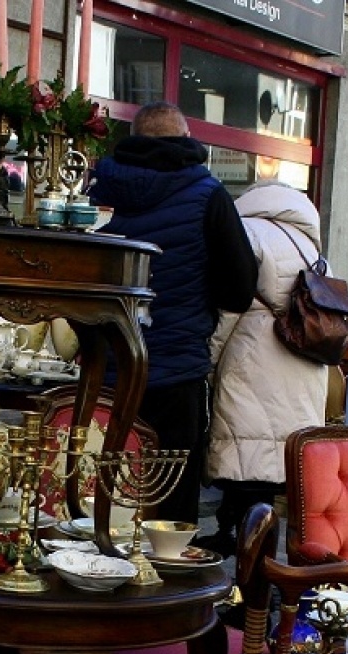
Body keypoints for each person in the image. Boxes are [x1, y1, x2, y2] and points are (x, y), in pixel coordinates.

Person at [90, 102, 257, 523]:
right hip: (177, 375)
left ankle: (97, 570)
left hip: (109, 371)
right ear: (185, 140)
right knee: (171, 502)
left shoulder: (102, 189)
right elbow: (239, 291)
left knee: (104, 491)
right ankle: (166, 581)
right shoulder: (208, 195)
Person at [204, 181, 335, 555]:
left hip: (253, 362)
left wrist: (208, 360)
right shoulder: (310, 248)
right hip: (303, 369)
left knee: (247, 467)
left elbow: (230, 307)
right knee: (274, 471)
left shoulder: (248, 232)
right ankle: (260, 560)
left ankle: (251, 574)